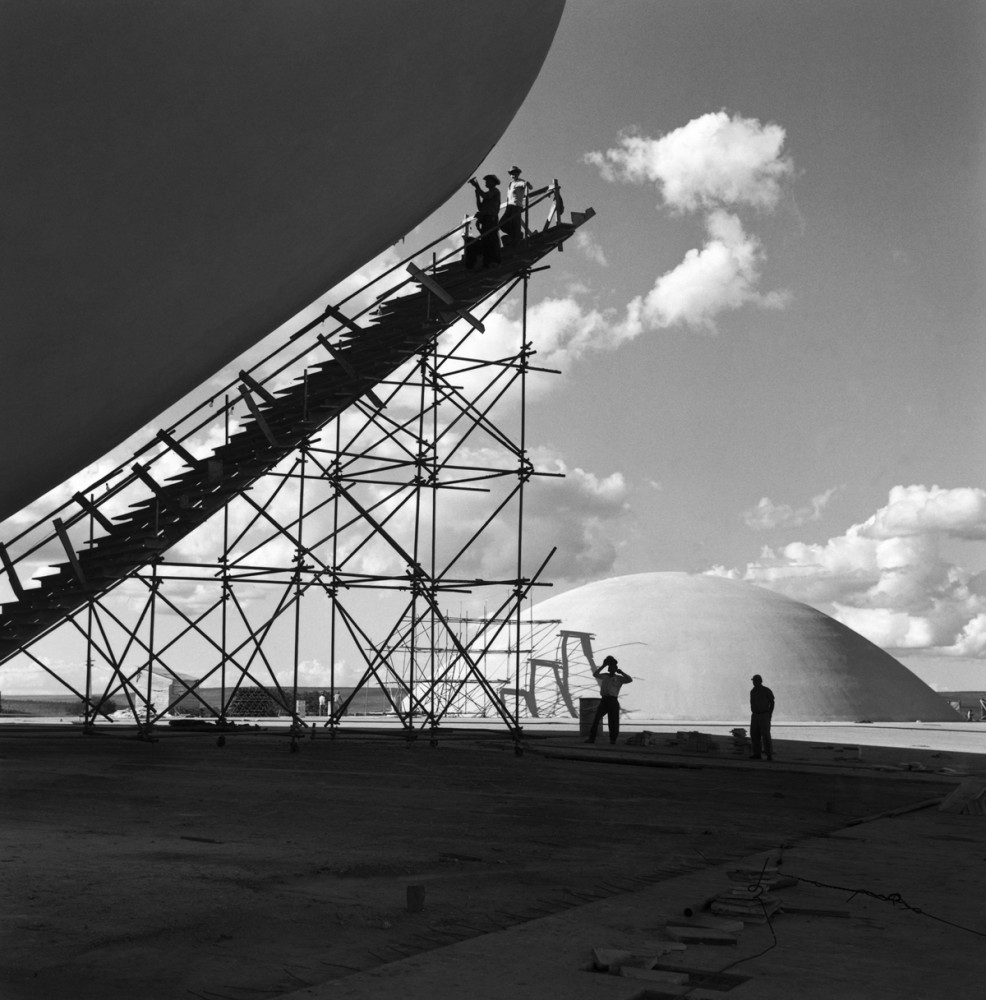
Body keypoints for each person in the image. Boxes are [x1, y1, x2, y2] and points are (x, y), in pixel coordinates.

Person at [585, 655, 632, 745]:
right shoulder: (605, 676)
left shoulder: (619, 678)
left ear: (616, 669)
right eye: (610, 667)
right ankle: (591, 738)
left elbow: (629, 680)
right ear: (608, 669)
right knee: (596, 719)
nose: (611, 669)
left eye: (613, 667)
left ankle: (613, 740)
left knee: (613, 721)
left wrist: (621, 672)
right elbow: (595, 674)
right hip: (604, 700)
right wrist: (603, 666)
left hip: (613, 701)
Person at [468, 174, 501, 266]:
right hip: (485, 220)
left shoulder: (495, 191)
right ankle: (488, 261)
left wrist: (477, 187)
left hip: (491, 219)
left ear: (493, 182)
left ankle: (495, 260)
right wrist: (477, 195)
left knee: (492, 239)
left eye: (488, 181)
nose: (486, 182)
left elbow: (486, 196)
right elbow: (480, 207)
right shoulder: (488, 194)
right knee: (486, 240)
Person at [500, 165, 532, 248]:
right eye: (511, 173)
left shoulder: (519, 182)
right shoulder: (511, 184)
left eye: (515, 173)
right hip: (509, 207)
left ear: (518, 174)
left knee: (516, 224)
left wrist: (527, 184)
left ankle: (516, 239)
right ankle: (515, 235)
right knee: (501, 224)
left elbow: (525, 184)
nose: (513, 175)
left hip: (516, 207)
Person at [749, 674, 774, 760]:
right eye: (753, 681)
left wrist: (770, 713)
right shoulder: (752, 691)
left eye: (755, 681)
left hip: (764, 714)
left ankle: (769, 754)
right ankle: (757, 753)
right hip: (755, 715)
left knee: (766, 735)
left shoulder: (766, 690)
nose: (754, 683)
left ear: (760, 681)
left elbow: (772, 702)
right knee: (754, 735)